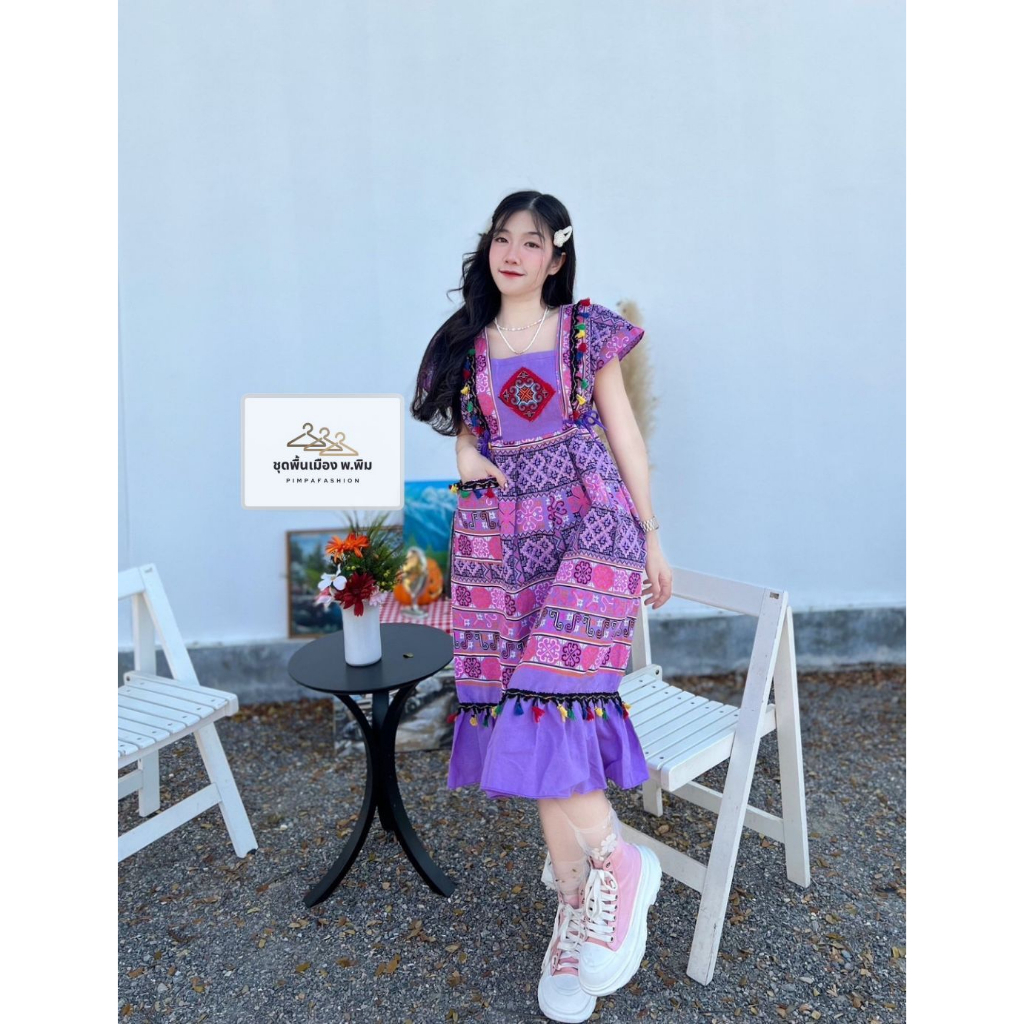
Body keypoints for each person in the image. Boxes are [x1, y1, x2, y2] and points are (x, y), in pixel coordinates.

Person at [411, 191, 673, 1023]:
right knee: (526, 715)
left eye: (532, 242)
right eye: (502, 238)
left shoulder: (585, 331)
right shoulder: (464, 344)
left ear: (557, 257)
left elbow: (624, 434)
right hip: (500, 537)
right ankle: (573, 906)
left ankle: (618, 860)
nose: (513, 253)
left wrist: (652, 537)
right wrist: (465, 452)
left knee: (547, 700)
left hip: (591, 523)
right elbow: (468, 431)